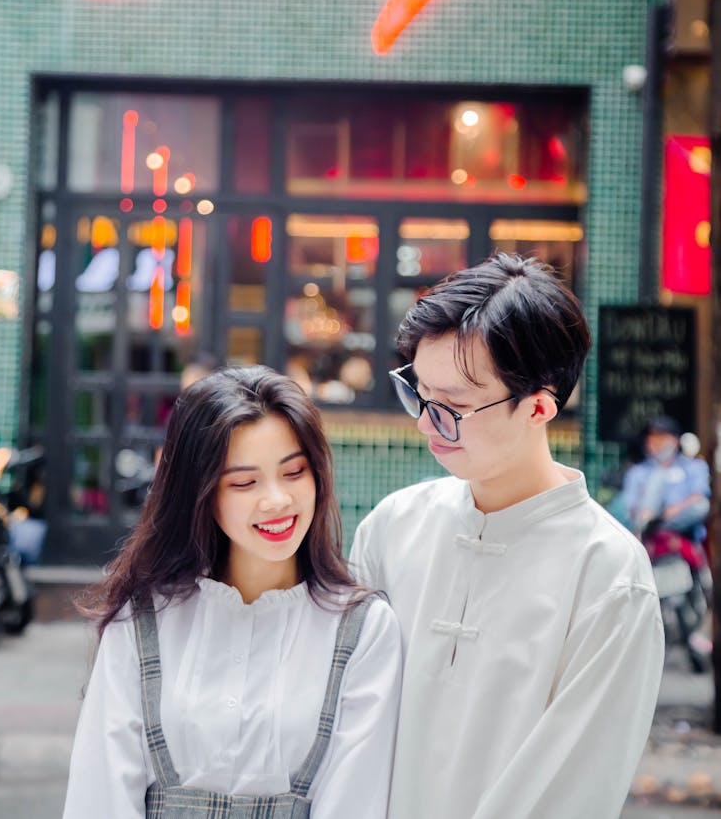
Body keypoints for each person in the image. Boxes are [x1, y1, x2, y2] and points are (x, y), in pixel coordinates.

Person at [350, 252, 664, 819]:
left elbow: (573, 784)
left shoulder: (609, 577)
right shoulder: (392, 528)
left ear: (539, 406)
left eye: (453, 407)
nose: (425, 423)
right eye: (418, 393)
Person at [63, 365, 401, 819]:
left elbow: (355, 801)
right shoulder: (144, 616)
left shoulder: (362, 629)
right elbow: (100, 796)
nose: (277, 499)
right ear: (199, 493)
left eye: (295, 472)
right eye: (244, 482)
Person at [622, 414, 711, 539]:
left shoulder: (695, 466)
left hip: (681, 529)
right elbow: (629, 507)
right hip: (643, 525)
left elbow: (699, 496)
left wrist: (667, 514)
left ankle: (654, 529)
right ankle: (649, 530)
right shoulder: (637, 471)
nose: (655, 443)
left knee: (702, 506)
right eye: (652, 437)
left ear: (676, 440)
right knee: (658, 475)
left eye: (661, 437)